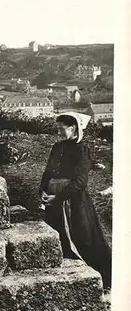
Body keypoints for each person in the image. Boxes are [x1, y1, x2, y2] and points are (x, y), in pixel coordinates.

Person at [39, 112, 112, 289]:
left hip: (74, 201)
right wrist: (42, 189)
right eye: (57, 129)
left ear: (73, 128)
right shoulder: (57, 147)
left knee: (83, 238)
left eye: (61, 129)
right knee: (59, 238)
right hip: (53, 199)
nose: (59, 133)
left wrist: (59, 197)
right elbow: (48, 170)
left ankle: (101, 281)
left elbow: (80, 182)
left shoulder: (82, 150)